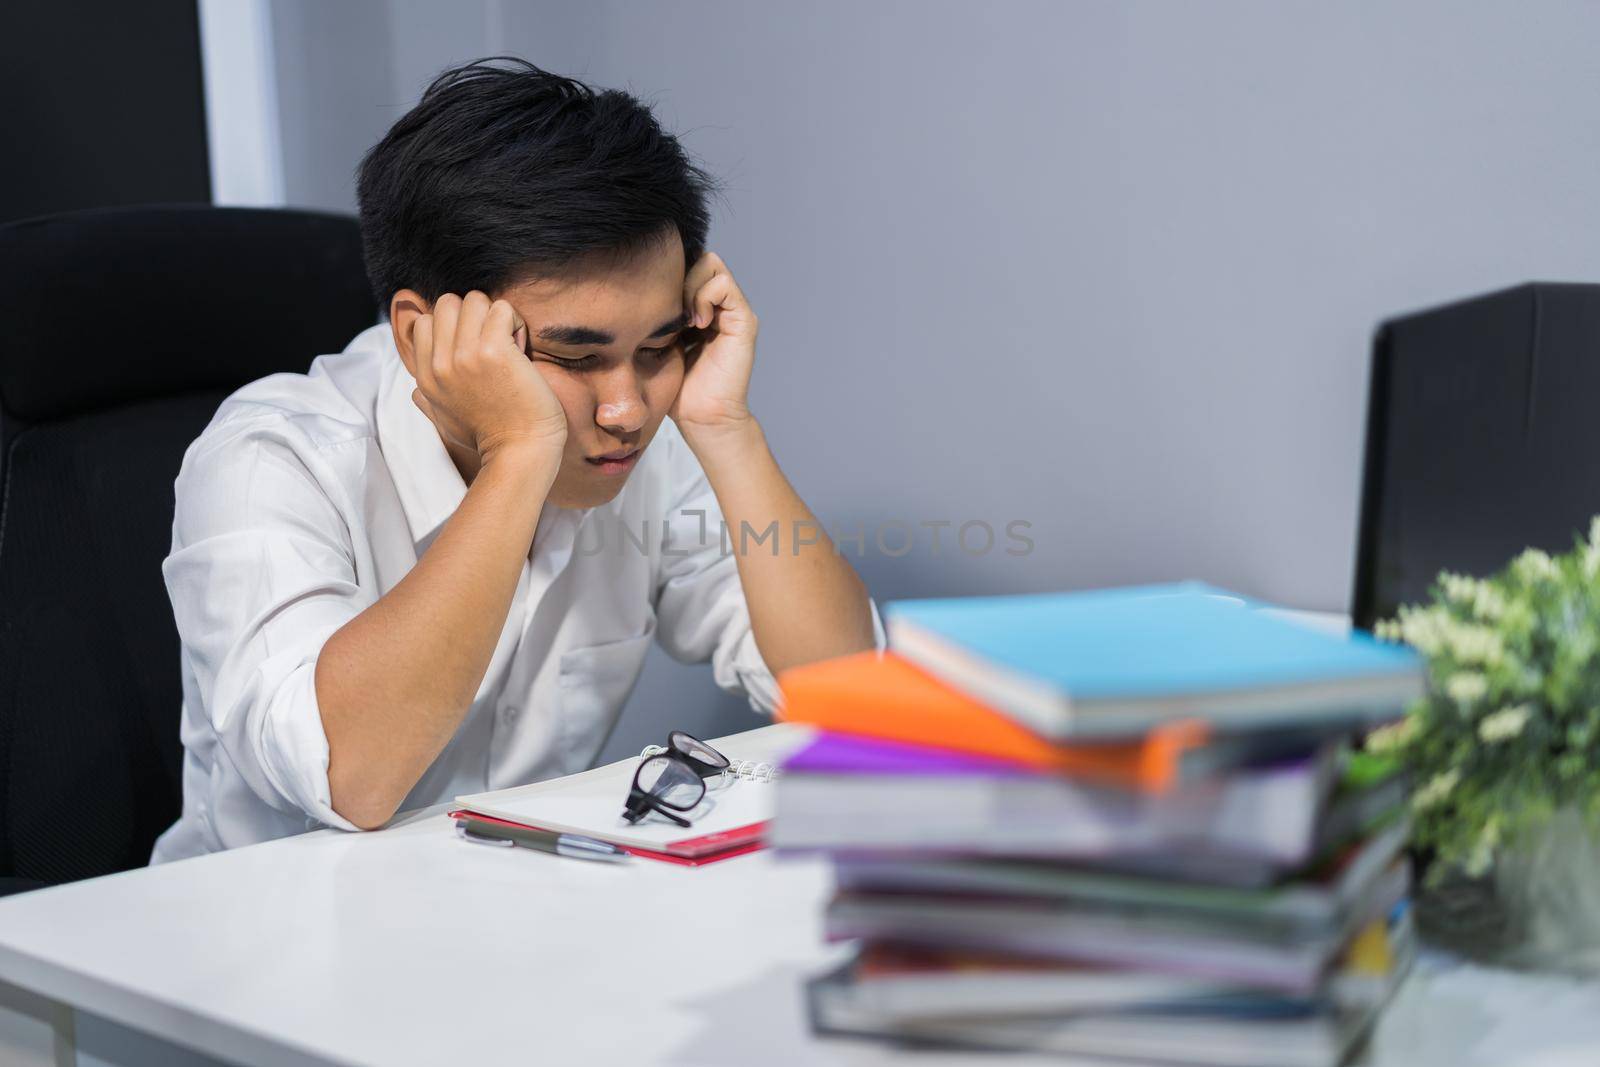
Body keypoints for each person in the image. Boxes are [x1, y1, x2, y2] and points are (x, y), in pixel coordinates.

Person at [150, 58, 881, 861]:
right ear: (419, 334)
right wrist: (519, 452)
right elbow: (349, 779)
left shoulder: (645, 437)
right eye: (573, 357)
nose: (627, 410)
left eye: (660, 346)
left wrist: (725, 426)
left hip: (527, 927)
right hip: (267, 945)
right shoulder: (271, 458)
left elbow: (848, 697)